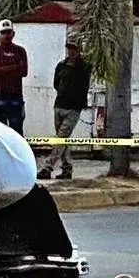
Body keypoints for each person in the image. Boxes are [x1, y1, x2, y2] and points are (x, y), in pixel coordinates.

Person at [38, 40, 91, 180]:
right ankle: (67, 169)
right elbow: (56, 84)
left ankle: (48, 166)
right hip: (60, 105)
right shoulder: (61, 65)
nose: (71, 52)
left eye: (74, 49)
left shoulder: (84, 67)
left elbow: (84, 84)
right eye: (69, 49)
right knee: (63, 140)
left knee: (61, 138)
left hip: (74, 107)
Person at [0, 18, 28, 132]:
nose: (6, 35)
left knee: (16, 129)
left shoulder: (20, 51)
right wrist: (14, 67)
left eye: (8, 32)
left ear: (13, 33)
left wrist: (2, 69)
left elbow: (24, 71)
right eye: (3, 32)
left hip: (14, 95)